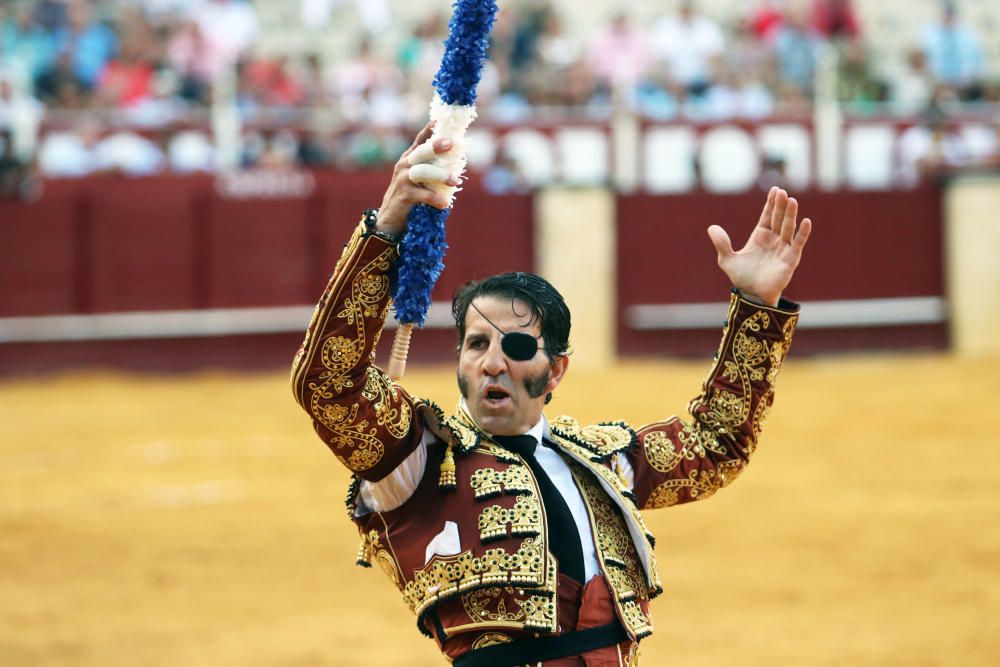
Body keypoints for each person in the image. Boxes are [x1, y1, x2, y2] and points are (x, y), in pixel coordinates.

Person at [291, 122, 812, 666]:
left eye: (515, 345)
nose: (492, 361)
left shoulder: (602, 464)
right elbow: (328, 384)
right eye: (475, 344)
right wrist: (389, 225)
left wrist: (756, 302)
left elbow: (716, 442)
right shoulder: (419, 460)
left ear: (555, 370)